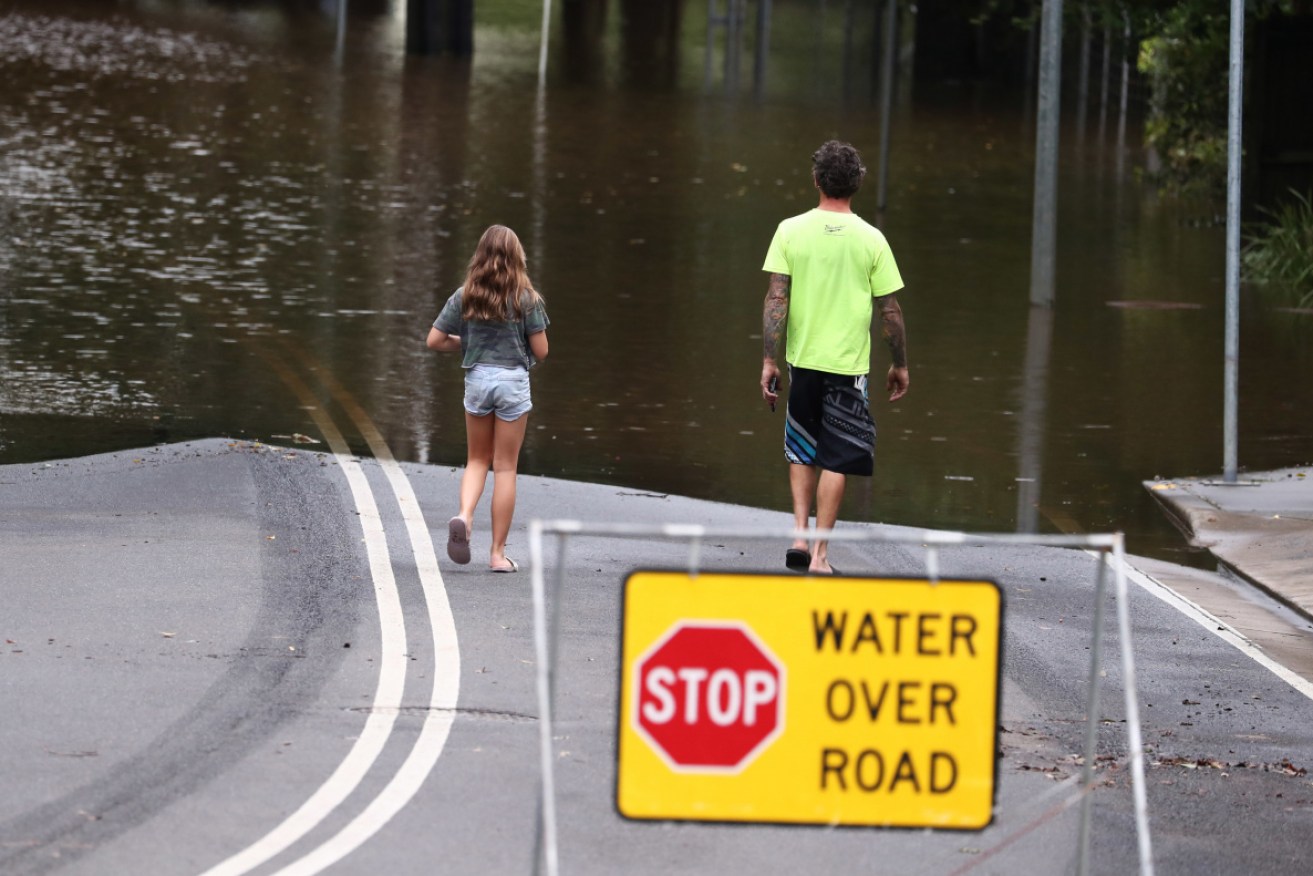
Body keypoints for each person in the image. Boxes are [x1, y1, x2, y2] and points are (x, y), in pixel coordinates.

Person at [759, 140, 908, 575]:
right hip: (848, 367)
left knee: (802, 447)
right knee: (838, 457)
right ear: (858, 183)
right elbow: (890, 311)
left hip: (802, 359)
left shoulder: (790, 230)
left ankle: (800, 535)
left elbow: (776, 298)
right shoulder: (872, 239)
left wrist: (770, 358)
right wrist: (899, 363)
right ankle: (821, 556)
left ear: (816, 179)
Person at [427, 225, 549, 573]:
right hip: (512, 382)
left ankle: (464, 517)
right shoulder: (527, 299)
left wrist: (467, 344)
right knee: (505, 467)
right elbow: (541, 352)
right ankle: (497, 555)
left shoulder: (465, 295)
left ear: (479, 256)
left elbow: (434, 341)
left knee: (477, 460)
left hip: (478, 380)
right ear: (517, 257)